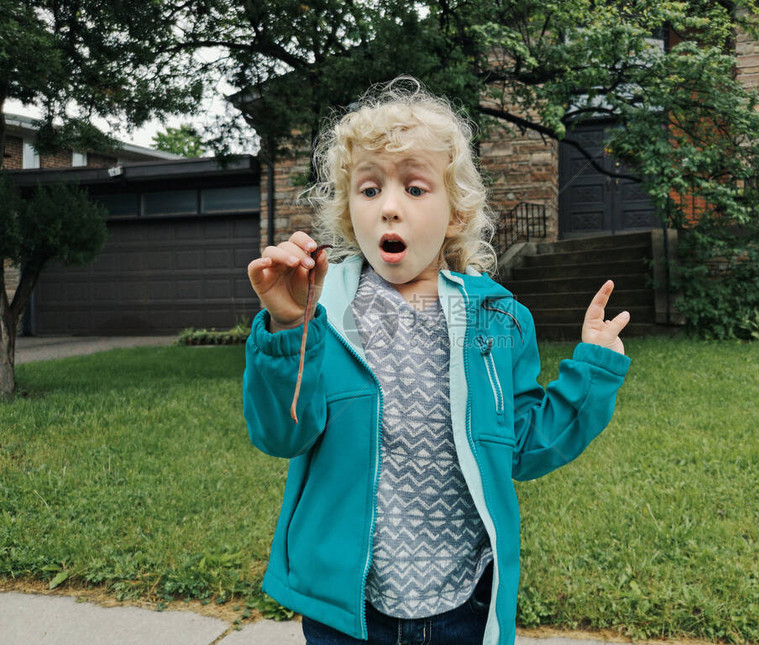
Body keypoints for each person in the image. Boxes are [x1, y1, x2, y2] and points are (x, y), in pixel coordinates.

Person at [243, 77, 631, 645]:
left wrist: (593, 368)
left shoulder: (499, 319)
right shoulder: (318, 307)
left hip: (464, 603)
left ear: (454, 212)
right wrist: (287, 326)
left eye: (416, 189)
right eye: (369, 189)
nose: (390, 207)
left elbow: (522, 446)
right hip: (347, 612)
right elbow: (282, 435)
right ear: (350, 212)